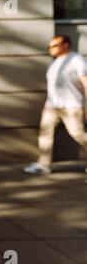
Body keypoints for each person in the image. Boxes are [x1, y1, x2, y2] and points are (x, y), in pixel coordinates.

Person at [24, 35, 87, 175]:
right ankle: (44, 165)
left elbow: (85, 82)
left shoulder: (76, 60)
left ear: (66, 45)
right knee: (45, 134)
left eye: (54, 46)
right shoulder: (56, 62)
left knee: (78, 134)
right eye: (49, 47)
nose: (50, 49)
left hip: (71, 106)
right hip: (52, 105)